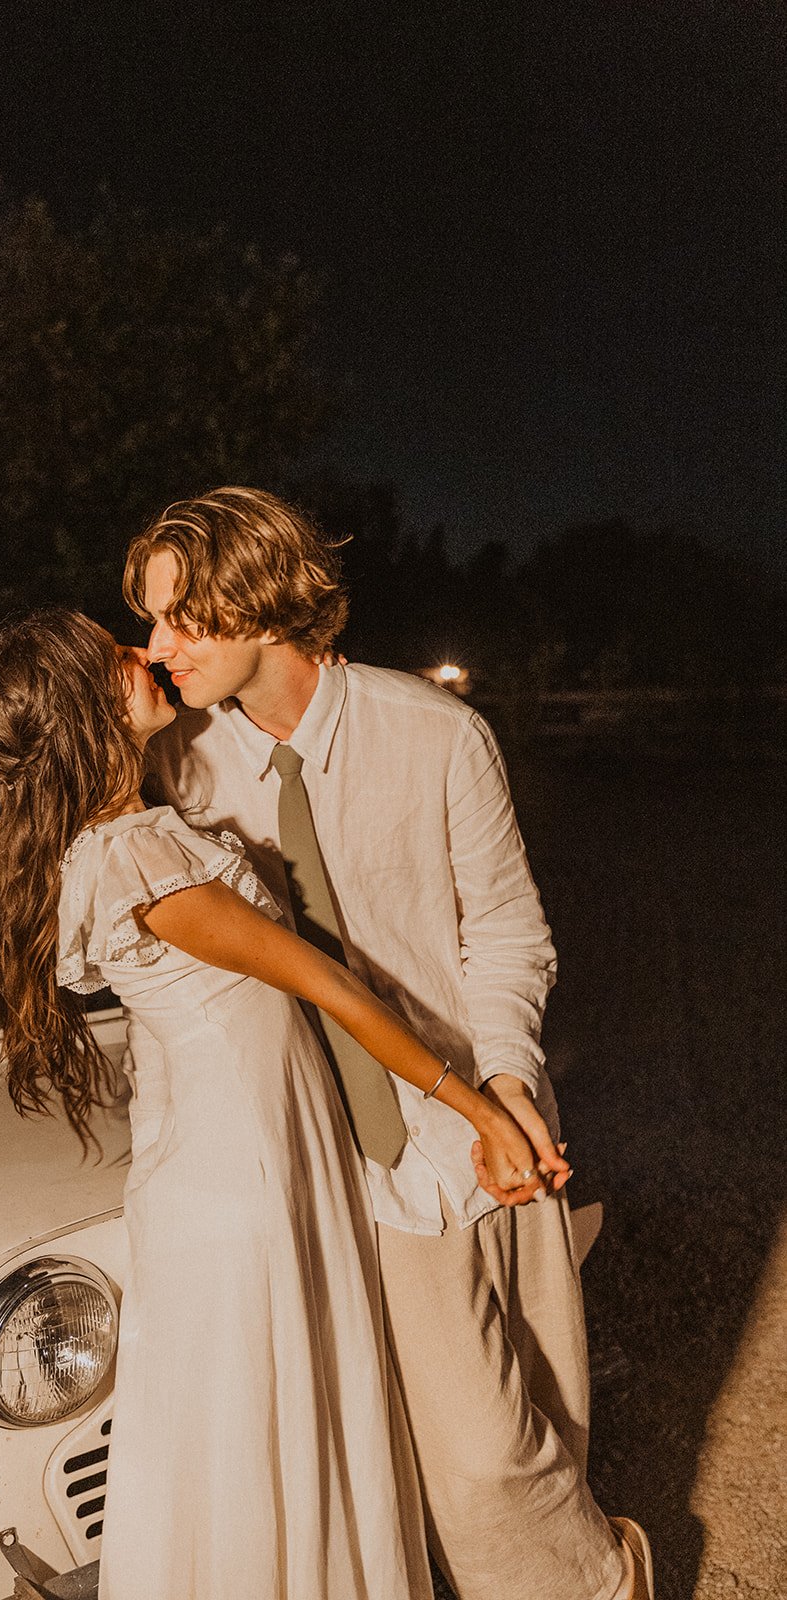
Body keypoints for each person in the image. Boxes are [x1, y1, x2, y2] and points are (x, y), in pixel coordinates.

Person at [123, 486, 655, 1600]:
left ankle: (599, 1567)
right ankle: (600, 1577)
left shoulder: (435, 733)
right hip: (317, 1154)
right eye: (153, 619)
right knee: (443, 1462)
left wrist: (501, 1087)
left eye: (181, 618)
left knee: (526, 1424)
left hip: (469, 1117)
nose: (157, 645)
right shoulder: (179, 770)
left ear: (260, 605)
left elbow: (505, 929)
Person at [0, 607, 552, 1600]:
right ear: (85, 710)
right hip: (240, 1181)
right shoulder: (135, 855)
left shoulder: (125, 837)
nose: (143, 651)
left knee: (269, 1433)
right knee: (266, 1433)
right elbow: (332, 987)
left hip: (248, 1155)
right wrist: (479, 1107)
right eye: (117, 656)